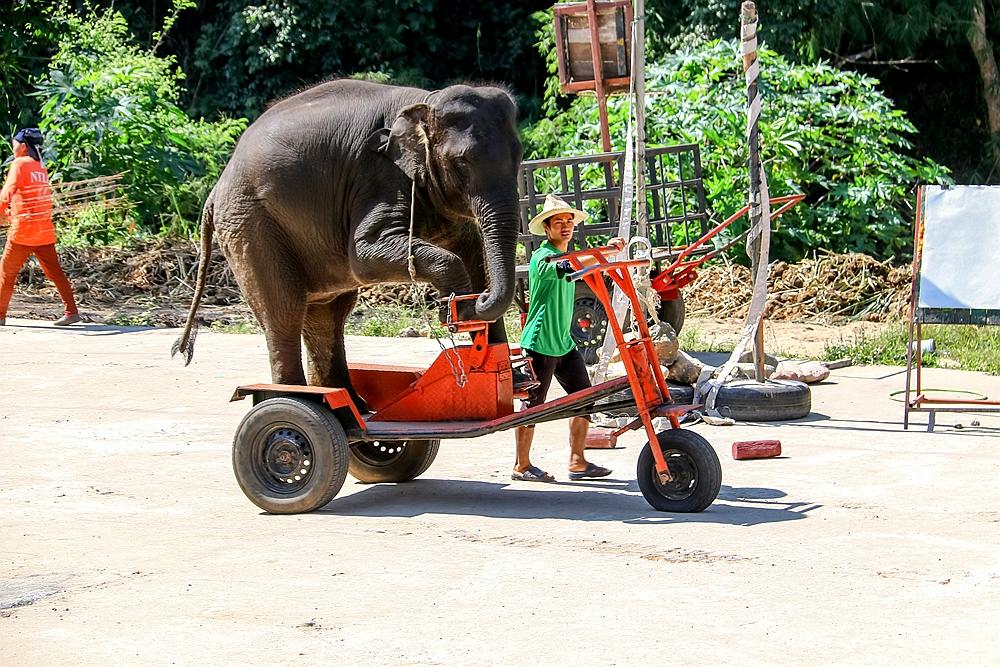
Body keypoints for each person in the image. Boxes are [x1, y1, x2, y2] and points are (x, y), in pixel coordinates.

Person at [512, 193, 625, 482]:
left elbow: (575, 263)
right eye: (558, 222)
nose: (565, 226)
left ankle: (577, 461)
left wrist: (607, 253)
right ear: (547, 229)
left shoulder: (567, 257)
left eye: (568, 221)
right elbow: (564, 266)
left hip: (563, 343)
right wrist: (603, 252)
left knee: (584, 398)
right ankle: (521, 466)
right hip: (539, 343)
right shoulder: (542, 257)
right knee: (533, 406)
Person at [0, 127, 80, 327]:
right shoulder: (40, 167)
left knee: (6, 273)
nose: (13, 147)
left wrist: (2, 212)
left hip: (23, 232)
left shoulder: (19, 164)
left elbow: (6, 194)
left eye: (15, 143)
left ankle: (0, 315)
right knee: (55, 273)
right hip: (43, 230)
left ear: (23, 146)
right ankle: (71, 311)